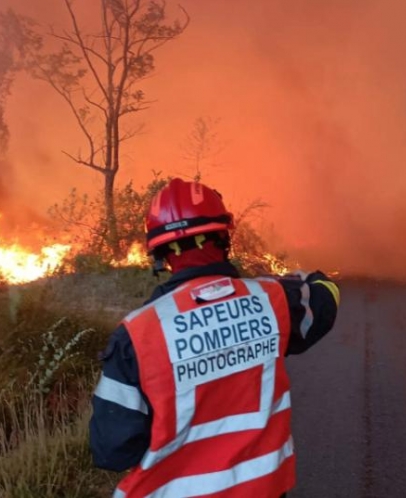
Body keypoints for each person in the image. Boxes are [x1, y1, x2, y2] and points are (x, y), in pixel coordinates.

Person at [89, 178, 339, 498]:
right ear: (224, 236)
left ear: (161, 253)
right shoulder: (272, 300)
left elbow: (112, 450)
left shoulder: (137, 336)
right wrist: (305, 277)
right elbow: (323, 298)